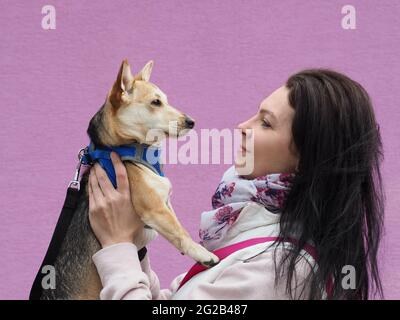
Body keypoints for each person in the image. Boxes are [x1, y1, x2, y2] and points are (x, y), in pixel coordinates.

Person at [88, 69, 385, 300]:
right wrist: (134, 247)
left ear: (308, 158)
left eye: (266, 123)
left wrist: (117, 247)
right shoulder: (255, 231)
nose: (243, 126)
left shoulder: (282, 268)